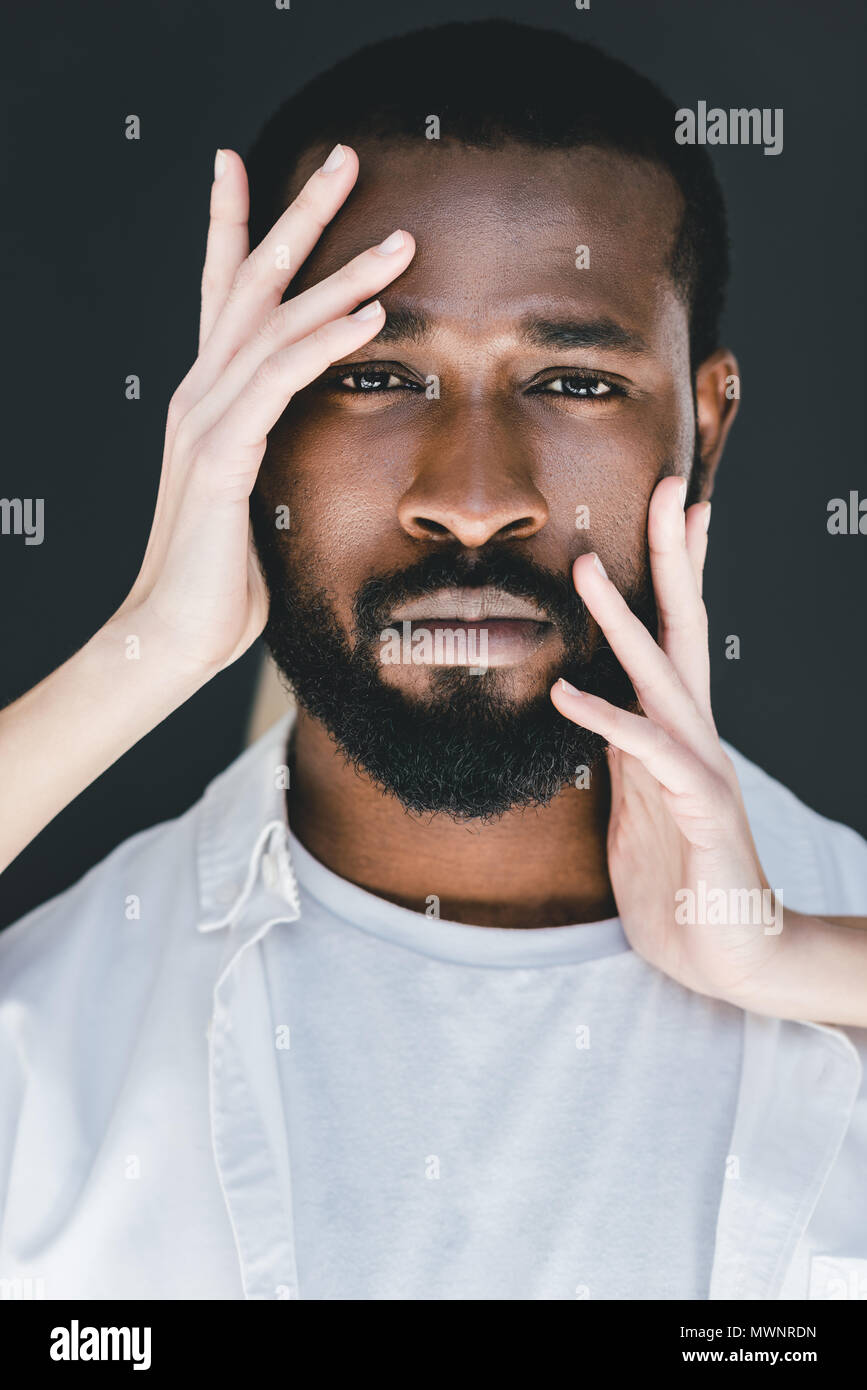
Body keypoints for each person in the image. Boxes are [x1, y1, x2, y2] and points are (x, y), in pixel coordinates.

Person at [0, 22, 865, 1302]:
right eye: (375, 373)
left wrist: (791, 957)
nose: (471, 499)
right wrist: (149, 649)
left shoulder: (832, 949)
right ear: (242, 422)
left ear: (705, 430)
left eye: (571, 382)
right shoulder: (46, 1039)